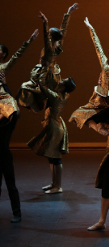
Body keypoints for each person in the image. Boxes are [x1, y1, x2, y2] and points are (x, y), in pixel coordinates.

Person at [28, 29, 76, 194]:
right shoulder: (62, 93)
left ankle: (58, 185)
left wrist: (44, 70)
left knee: (56, 158)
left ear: (63, 86)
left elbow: (42, 86)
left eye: (62, 80)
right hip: (53, 124)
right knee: (51, 156)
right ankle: (54, 183)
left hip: (54, 127)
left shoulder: (56, 95)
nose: (60, 80)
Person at [0, 29, 39, 223]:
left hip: (4, 107)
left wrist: (30, 40)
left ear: (3, 54)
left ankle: (17, 212)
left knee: (9, 178)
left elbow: (18, 55)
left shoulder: (3, 67)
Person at [17, 3, 78, 112]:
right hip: (51, 71)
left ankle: (28, 103)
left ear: (51, 36)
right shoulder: (56, 45)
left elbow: (46, 37)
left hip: (45, 73)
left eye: (49, 34)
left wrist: (45, 22)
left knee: (25, 86)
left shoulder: (50, 48)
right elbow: (62, 31)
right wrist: (68, 14)